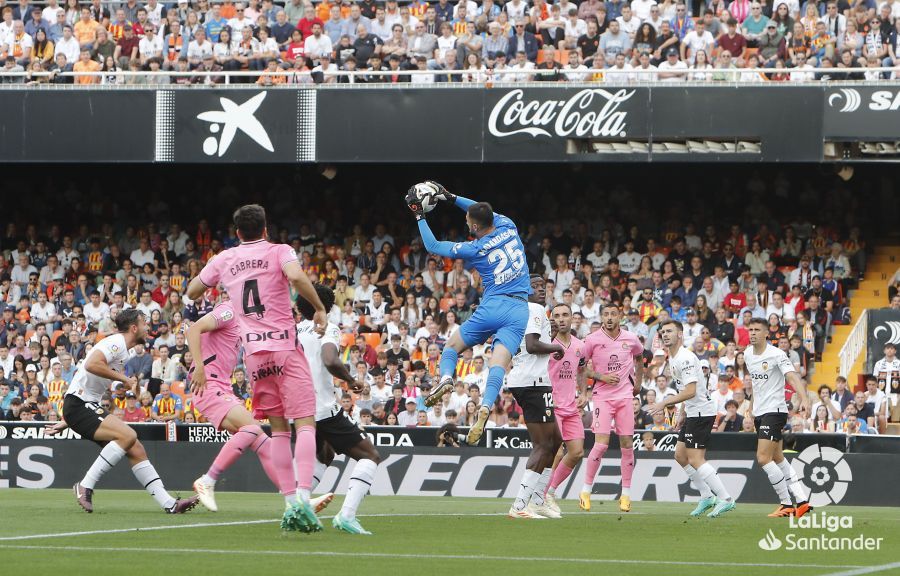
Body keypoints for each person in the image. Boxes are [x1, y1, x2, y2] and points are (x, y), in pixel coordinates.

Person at [186, 204, 328, 534]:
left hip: (254, 358)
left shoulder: (224, 258)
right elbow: (295, 276)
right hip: (283, 347)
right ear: (266, 228)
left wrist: (215, 275)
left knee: (277, 430)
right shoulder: (280, 250)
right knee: (305, 424)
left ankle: (290, 502)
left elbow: (192, 292)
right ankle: (304, 498)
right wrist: (318, 307)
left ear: (237, 233)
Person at [411, 182, 530, 447]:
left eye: (468, 220)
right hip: (519, 308)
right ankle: (487, 405)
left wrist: (419, 214)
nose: (466, 221)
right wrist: (450, 197)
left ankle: (445, 379)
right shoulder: (508, 225)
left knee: (451, 347)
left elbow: (433, 245)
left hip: (494, 304)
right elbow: (479, 209)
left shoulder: (474, 248)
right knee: (499, 363)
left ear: (475, 226)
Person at [45, 309, 198, 514]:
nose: (147, 326)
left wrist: (119, 388)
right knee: (128, 435)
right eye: (144, 323)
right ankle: (85, 485)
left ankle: (170, 504)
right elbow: (91, 364)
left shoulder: (123, 351)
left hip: (83, 406)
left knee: (136, 448)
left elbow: (92, 380)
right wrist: (123, 378)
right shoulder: (116, 342)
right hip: (80, 404)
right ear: (134, 328)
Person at [296, 284, 382, 535]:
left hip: (299, 410)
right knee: (370, 456)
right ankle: (346, 516)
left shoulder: (292, 330)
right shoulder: (327, 328)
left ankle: (297, 507)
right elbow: (330, 360)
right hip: (322, 409)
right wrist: (352, 381)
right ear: (326, 306)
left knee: (324, 454)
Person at [187, 296, 283, 513]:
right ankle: (208, 480)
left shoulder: (244, 321)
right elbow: (194, 329)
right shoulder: (228, 311)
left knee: (264, 443)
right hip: (208, 384)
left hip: (222, 386)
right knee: (252, 428)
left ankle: (296, 500)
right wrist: (199, 368)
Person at [646, 319, 736, 517]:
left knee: (696, 458)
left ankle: (726, 498)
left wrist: (664, 403)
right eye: (663, 332)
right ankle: (706, 496)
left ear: (680, 334)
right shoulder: (674, 357)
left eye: (670, 331)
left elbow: (691, 390)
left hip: (703, 412)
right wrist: (682, 412)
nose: (665, 334)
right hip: (693, 412)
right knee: (680, 455)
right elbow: (686, 390)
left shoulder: (684, 358)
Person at [503, 275, 564, 519]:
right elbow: (531, 345)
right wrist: (557, 347)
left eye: (544, 287)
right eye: (535, 286)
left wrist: (550, 339)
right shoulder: (534, 308)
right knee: (543, 445)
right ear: (523, 290)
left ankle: (538, 499)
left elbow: (534, 345)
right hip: (532, 383)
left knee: (556, 441)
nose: (541, 290)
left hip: (531, 380)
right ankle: (519, 506)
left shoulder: (520, 311)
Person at [744, 317, 812, 518]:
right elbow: (757, 384)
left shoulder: (777, 354)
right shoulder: (748, 354)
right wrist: (751, 404)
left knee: (763, 458)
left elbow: (792, 376)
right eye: (751, 330)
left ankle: (786, 504)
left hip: (775, 411)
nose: (753, 333)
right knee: (777, 457)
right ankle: (801, 501)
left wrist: (804, 398)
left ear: (767, 334)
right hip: (760, 411)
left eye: (757, 330)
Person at [579, 304, 643, 513]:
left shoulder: (631, 338)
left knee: (627, 445)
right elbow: (581, 366)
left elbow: (640, 357)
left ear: (620, 316)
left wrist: (639, 383)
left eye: (613, 314)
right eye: (605, 314)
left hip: (625, 397)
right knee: (601, 445)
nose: (609, 318)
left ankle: (625, 495)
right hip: (602, 398)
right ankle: (586, 491)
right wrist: (601, 376)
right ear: (601, 317)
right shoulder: (592, 339)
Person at [543, 303, 588, 514]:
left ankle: (549, 492)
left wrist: (584, 393)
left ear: (572, 318)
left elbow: (582, 369)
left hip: (571, 406)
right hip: (551, 405)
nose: (561, 319)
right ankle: (540, 496)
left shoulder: (580, 346)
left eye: (565, 315)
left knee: (577, 452)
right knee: (555, 451)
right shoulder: (546, 344)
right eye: (557, 315)